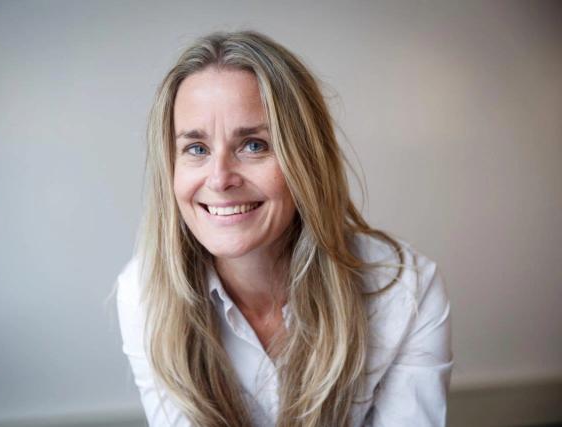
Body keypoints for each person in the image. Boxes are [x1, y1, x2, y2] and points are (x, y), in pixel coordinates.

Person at [116, 30, 453, 427]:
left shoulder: (405, 291)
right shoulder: (145, 294)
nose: (220, 179)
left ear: (306, 159)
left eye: (254, 145)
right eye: (197, 149)